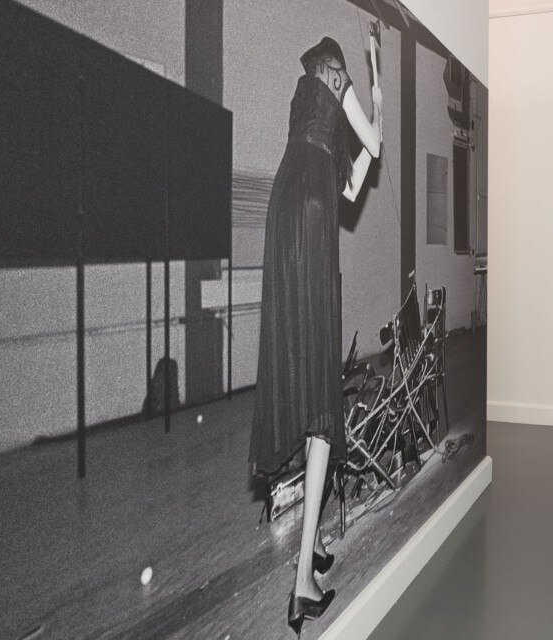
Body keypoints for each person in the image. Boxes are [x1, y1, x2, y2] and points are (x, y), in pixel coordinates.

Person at [248, 36, 383, 636]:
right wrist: (376, 85)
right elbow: (373, 142)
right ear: (335, 71)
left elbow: (351, 186)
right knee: (324, 394)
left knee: (300, 367)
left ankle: (313, 547)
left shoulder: (303, 106)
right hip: (311, 214)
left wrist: (363, 151)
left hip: (285, 209)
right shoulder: (337, 79)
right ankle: (303, 582)